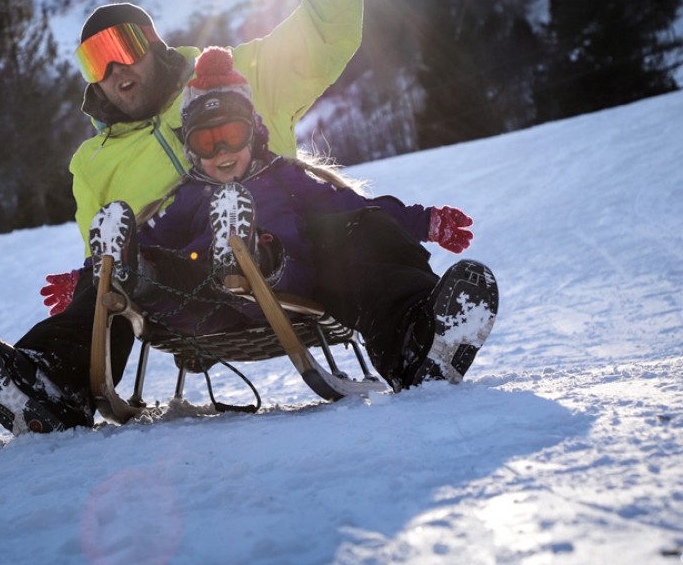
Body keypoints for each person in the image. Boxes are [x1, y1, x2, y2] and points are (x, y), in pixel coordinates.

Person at [0, 0, 365, 435]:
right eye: (96, 62)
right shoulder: (94, 162)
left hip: (277, 258)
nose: (114, 70)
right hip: (176, 291)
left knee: (349, 232)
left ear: (156, 46)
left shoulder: (241, 78)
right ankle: (50, 379)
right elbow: (104, 257)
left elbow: (331, 22)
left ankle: (408, 326)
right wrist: (89, 276)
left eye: (123, 48)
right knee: (115, 269)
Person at [88, 47, 498, 395]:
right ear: (191, 150)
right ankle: (144, 276)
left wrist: (423, 221)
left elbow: (351, 205)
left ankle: (418, 336)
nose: (222, 150)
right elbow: (150, 237)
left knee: (364, 226)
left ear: (253, 134)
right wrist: (92, 274)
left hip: (288, 284)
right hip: (207, 302)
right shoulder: (188, 197)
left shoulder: (286, 179)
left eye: (232, 135)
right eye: (207, 142)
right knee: (164, 263)